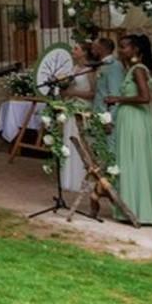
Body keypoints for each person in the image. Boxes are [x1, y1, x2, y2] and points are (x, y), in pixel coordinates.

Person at [105, 34, 152, 225]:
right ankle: (133, 208)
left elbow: (145, 97)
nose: (121, 50)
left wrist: (118, 99)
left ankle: (139, 209)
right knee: (132, 162)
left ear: (135, 50)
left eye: (124, 47)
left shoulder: (138, 69)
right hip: (131, 120)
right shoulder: (133, 68)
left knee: (134, 161)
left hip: (135, 121)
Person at [59, 40, 97, 194]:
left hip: (84, 110)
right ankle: (70, 179)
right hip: (71, 109)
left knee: (83, 143)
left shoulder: (90, 70)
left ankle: (86, 179)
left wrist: (73, 93)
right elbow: (67, 91)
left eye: (76, 48)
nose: (73, 50)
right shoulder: (74, 69)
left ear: (85, 52)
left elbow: (93, 93)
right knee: (70, 141)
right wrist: (64, 88)